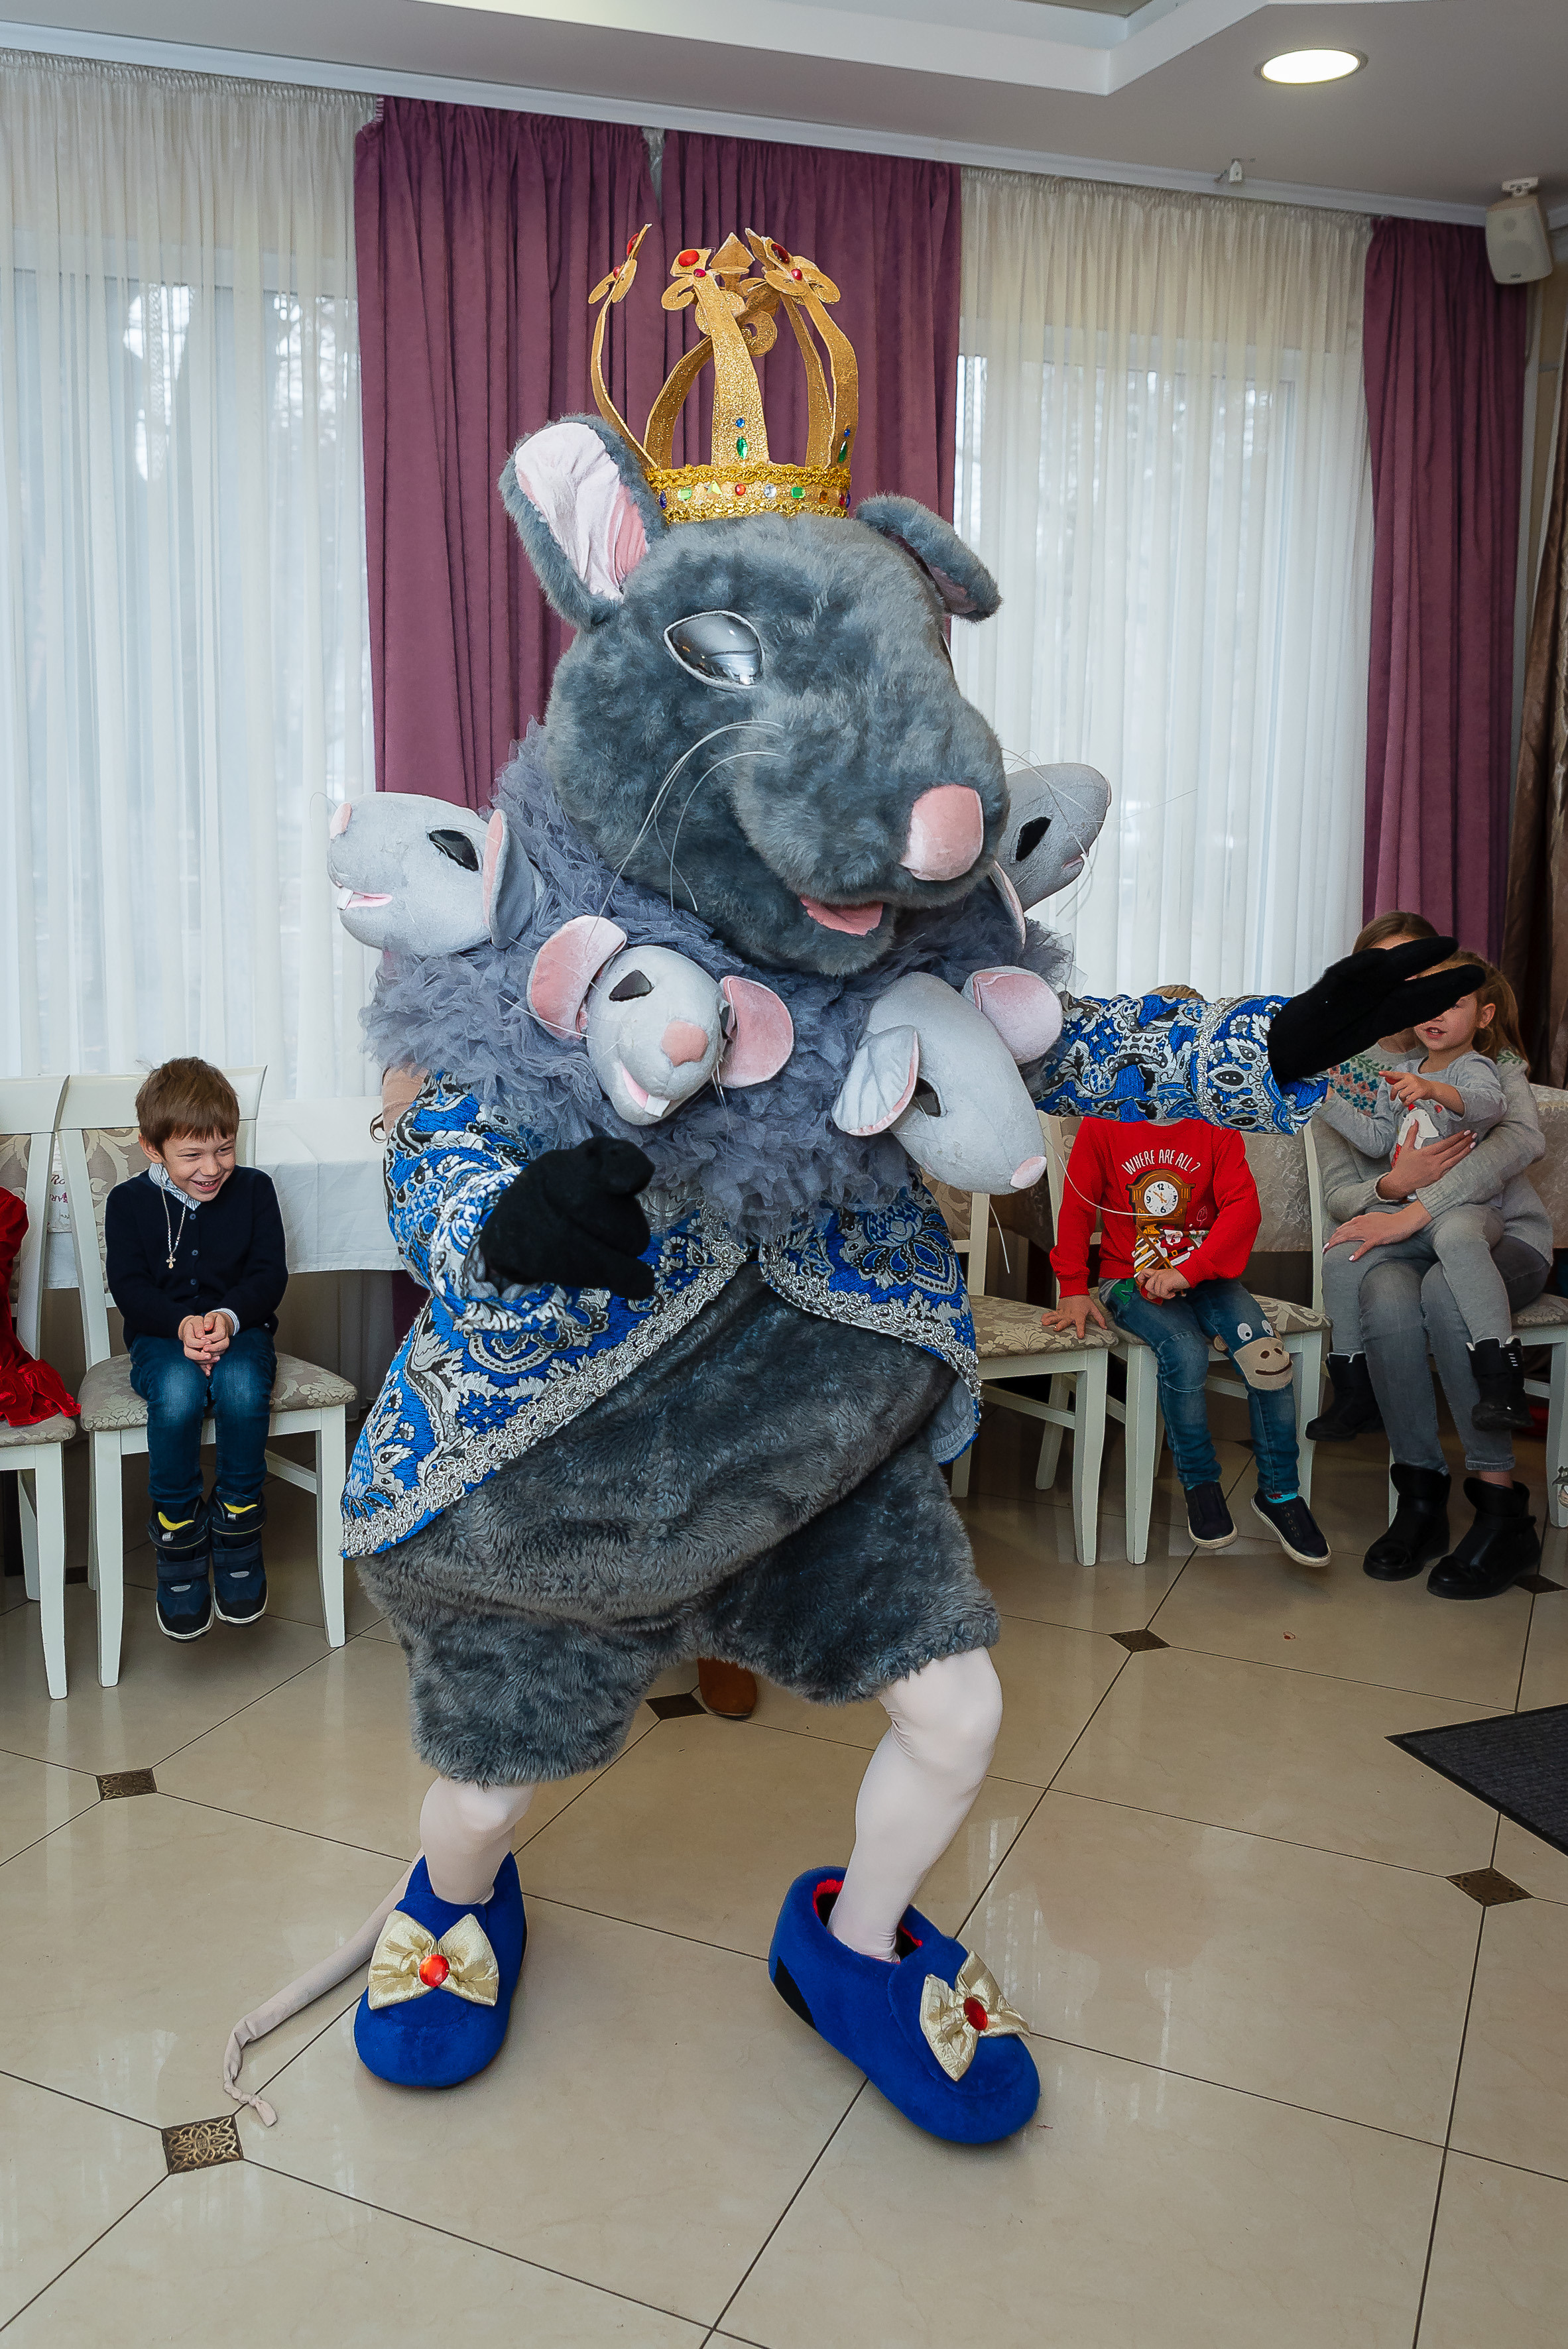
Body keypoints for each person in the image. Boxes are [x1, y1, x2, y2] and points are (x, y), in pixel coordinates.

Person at [1309, 920, 1549, 1596]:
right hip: (1400, 1235)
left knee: (1446, 1289)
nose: (1408, 988)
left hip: (1495, 1235)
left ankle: (1499, 1506)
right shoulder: (1346, 1064)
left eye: (1418, 973)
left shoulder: (1483, 1057)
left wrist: (1419, 1206)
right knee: (1384, 1296)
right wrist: (1391, 1187)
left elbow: (1518, 1140)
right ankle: (1420, 1497)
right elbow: (1340, 1193)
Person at [1044, 1113, 1330, 1565]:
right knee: (1184, 1351)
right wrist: (1073, 1286)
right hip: (1127, 1277)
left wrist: (1189, 1271)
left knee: (1267, 1355)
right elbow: (1078, 1207)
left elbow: (1243, 1208)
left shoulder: (1215, 1121)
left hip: (1205, 1274)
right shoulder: (1104, 1122)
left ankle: (1280, 1492)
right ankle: (1200, 1483)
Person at [1313, 955, 1534, 1435]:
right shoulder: (1401, 1073)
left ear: (1484, 1016)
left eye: (1452, 1004)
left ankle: (1501, 1378)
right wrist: (1325, 1099)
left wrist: (1432, 1088)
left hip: (1465, 1208)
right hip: (1408, 1210)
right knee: (1341, 1254)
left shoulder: (1476, 1067)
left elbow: (1489, 1107)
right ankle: (1354, 1388)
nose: (1435, 1013)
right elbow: (1377, 1140)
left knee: (1458, 1240)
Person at [104, 1058, 286, 1639]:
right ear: (152, 1147)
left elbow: (268, 1275)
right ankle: (178, 1528)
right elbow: (129, 1288)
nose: (212, 1168)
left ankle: (238, 1522)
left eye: (224, 1149)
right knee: (179, 1391)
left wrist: (227, 1319)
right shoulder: (128, 1202)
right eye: (192, 1155)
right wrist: (181, 1324)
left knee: (241, 1385)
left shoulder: (255, 1190)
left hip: (241, 1330)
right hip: (161, 1337)